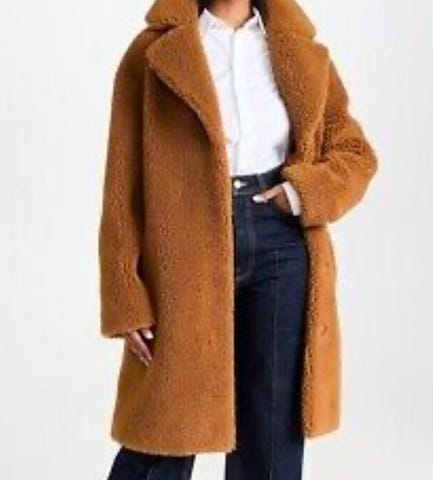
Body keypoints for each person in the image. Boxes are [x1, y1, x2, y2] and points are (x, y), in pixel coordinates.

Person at [100, 0, 377, 478]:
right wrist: (125, 294)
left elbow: (355, 153)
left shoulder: (298, 51)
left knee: (270, 436)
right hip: (183, 250)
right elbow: (121, 186)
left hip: (280, 246)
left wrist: (301, 192)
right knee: (164, 429)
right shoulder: (152, 54)